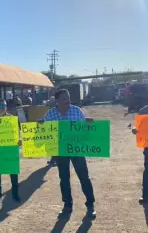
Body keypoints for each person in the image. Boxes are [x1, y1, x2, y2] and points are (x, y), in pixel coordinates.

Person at [40, 89, 96, 218]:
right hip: (61, 152)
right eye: (64, 98)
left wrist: (89, 125)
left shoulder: (76, 111)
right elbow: (45, 132)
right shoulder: (50, 114)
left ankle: (90, 205)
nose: (67, 100)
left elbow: (85, 130)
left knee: (84, 177)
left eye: (68, 97)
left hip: (77, 150)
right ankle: (67, 205)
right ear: (57, 101)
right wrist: (40, 126)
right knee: (64, 179)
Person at [0, 99, 21, 204]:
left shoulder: (12, 119)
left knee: (13, 173)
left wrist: (19, 139)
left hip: (10, 149)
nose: (2, 107)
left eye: (4, 105)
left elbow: (18, 132)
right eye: (0, 105)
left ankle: (15, 194)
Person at [45, 96, 57, 166]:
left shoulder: (54, 111)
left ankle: (54, 161)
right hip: (52, 131)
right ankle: (53, 160)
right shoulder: (50, 112)